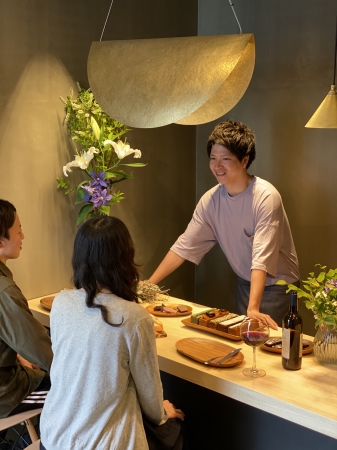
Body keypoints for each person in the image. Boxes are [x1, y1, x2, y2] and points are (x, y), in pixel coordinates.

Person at [40, 216, 184, 450]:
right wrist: (163, 413)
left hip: (53, 438)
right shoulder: (134, 317)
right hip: (105, 444)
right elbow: (151, 397)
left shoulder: (61, 302)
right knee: (173, 428)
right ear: (125, 258)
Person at [148, 120, 300, 329]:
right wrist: (149, 285)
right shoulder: (211, 200)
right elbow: (184, 246)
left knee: (270, 349)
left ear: (244, 160)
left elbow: (261, 259)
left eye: (225, 159)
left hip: (278, 287)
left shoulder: (266, 197)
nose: (217, 166)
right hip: (245, 283)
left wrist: (253, 308)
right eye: (213, 158)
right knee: (245, 345)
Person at [0, 199, 52, 418]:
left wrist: (19, 354)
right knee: (81, 387)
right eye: (19, 231)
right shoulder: (5, 292)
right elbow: (44, 353)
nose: (23, 237)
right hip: (6, 393)